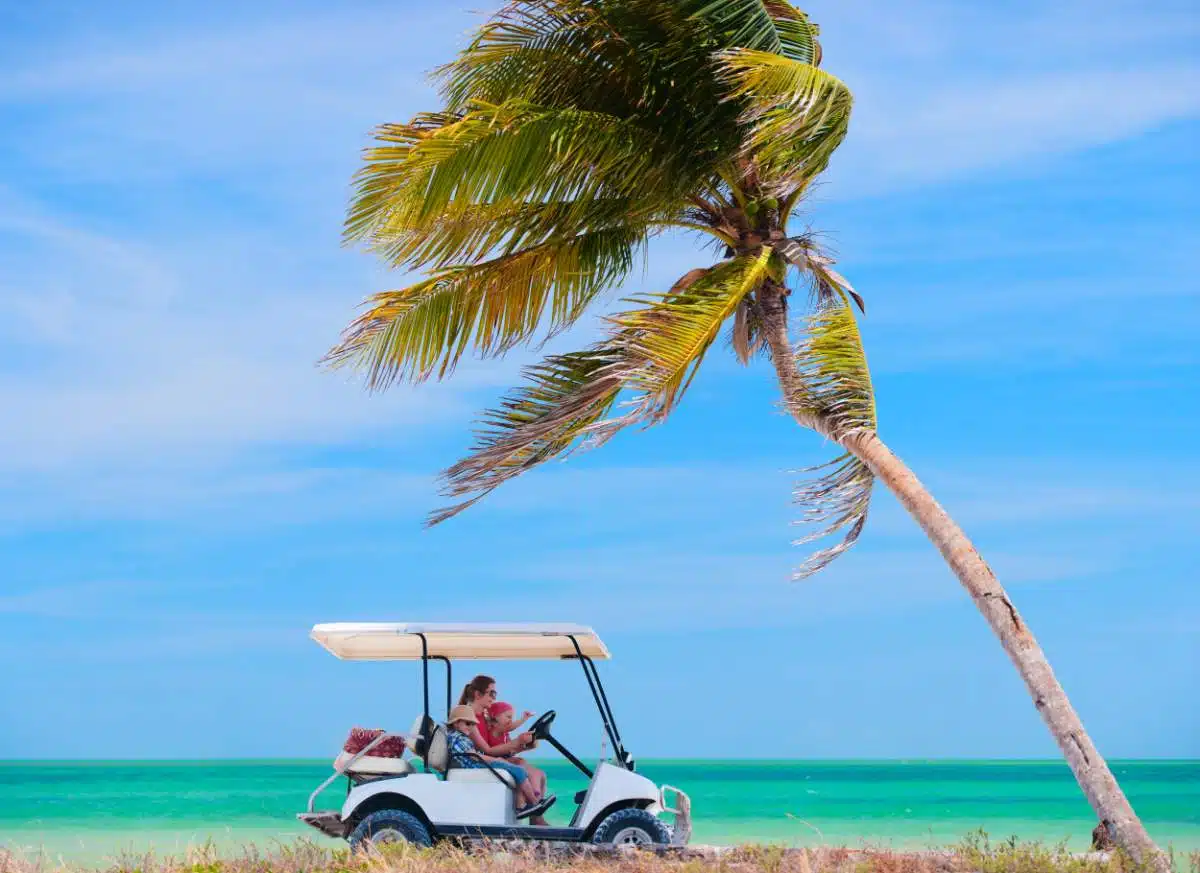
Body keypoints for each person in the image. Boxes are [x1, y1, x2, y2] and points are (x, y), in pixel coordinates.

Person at [458, 675, 552, 824]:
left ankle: (535, 816)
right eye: (492, 693)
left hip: (490, 758)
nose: (494, 698)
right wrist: (516, 743)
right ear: (477, 694)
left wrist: (522, 746)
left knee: (539, 775)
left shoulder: (483, 715)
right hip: (480, 761)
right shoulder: (469, 718)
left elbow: (497, 744)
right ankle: (532, 813)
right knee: (523, 768)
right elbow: (487, 750)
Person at [445, 705, 550, 819]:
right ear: (456, 723)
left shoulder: (460, 736)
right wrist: (496, 759)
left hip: (478, 765)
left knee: (519, 770)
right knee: (519, 770)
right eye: (467, 724)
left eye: (472, 724)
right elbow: (474, 756)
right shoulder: (457, 738)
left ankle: (521, 805)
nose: (471, 727)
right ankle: (534, 803)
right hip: (477, 766)